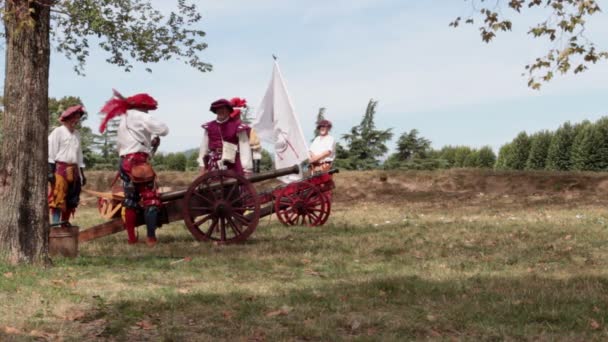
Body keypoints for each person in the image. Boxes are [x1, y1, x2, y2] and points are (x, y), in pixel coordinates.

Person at [99, 89, 169, 246]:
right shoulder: (142, 116)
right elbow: (164, 130)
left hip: (124, 163)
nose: (148, 111)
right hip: (138, 164)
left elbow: (126, 147)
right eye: (148, 108)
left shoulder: (123, 120)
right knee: (150, 199)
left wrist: (151, 146)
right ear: (143, 107)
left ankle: (131, 238)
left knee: (130, 201)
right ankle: (151, 237)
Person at [48, 105, 87, 225]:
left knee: (71, 200)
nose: (75, 121)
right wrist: (50, 172)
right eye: (73, 118)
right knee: (58, 200)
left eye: (77, 118)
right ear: (67, 118)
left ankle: (64, 225)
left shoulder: (77, 134)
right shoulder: (58, 131)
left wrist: (82, 174)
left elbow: (79, 155)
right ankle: (55, 228)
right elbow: (51, 152)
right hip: (60, 170)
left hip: (74, 170)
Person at [197, 97, 253, 176]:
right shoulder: (209, 126)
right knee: (213, 186)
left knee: (234, 187)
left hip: (233, 164)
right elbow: (204, 148)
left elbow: (245, 148)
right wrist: (202, 166)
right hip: (214, 165)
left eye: (223, 108)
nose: (221, 111)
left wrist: (247, 169)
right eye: (218, 109)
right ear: (215, 111)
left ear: (229, 110)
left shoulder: (238, 126)